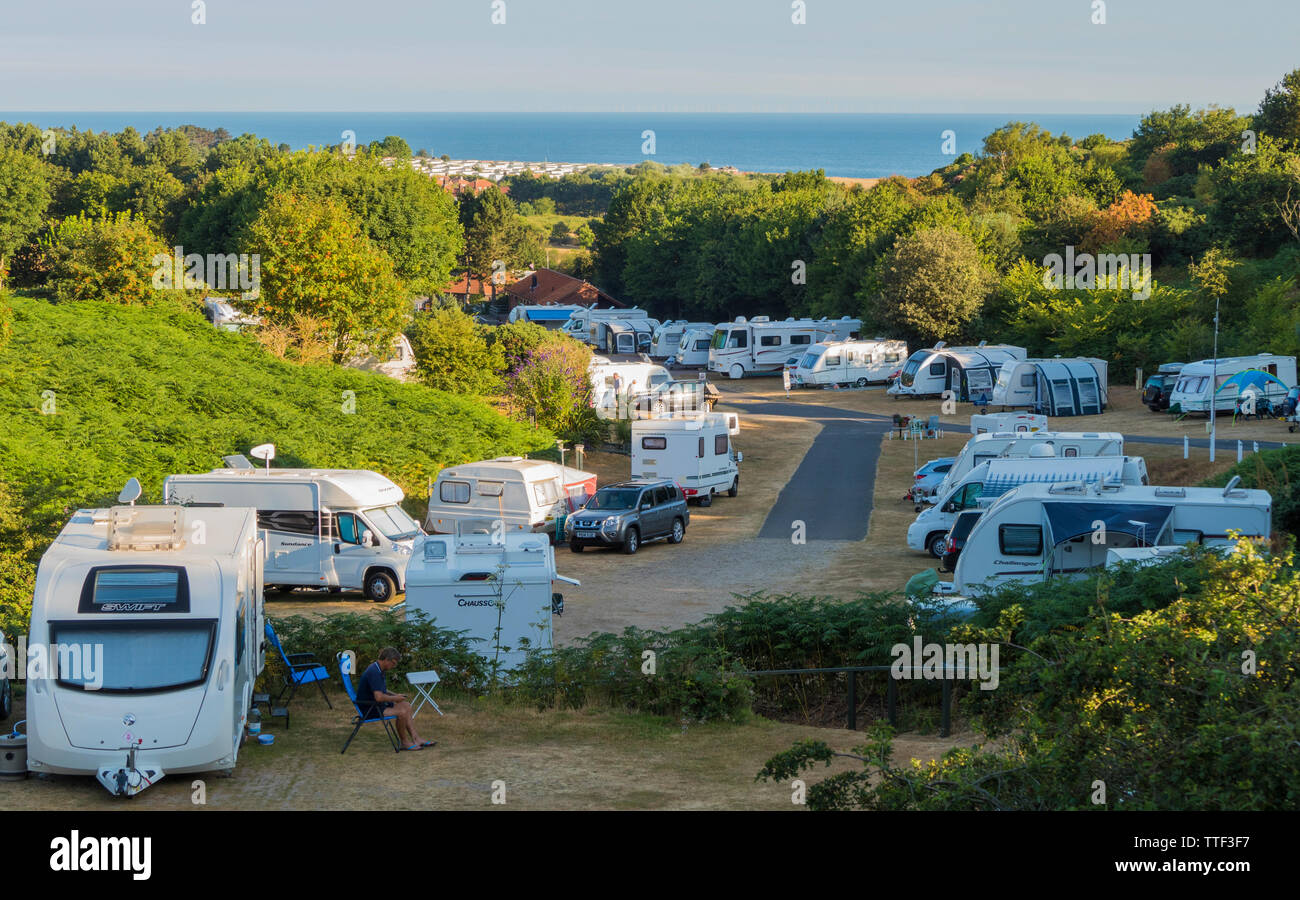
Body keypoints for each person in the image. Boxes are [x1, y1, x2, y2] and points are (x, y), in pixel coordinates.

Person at [355, 647, 435, 751]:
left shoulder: (379, 669)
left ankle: (416, 738)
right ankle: (404, 742)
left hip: (376, 704)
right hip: (370, 708)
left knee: (406, 705)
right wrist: (394, 698)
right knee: (401, 712)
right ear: (386, 659)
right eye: (393, 663)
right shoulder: (374, 672)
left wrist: (395, 695)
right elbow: (379, 697)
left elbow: (380, 690)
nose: (394, 666)